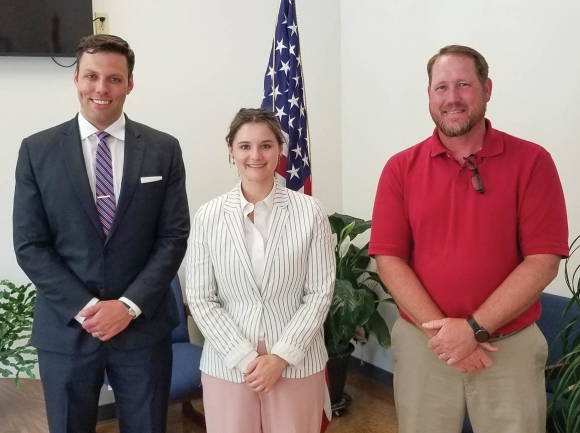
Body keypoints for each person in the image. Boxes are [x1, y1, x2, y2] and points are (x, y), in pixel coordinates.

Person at [370, 45, 569, 433]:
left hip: (506, 348)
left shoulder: (532, 162)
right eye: (441, 87)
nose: (452, 98)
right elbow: (389, 259)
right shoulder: (400, 169)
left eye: (464, 84)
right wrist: (448, 337)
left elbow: (543, 259)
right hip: (424, 347)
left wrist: (473, 329)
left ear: (487, 89)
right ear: (429, 95)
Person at [13, 34, 190, 433]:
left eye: (113, 78)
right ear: (75, 78)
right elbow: (30, 244)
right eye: (91, 76)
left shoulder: (164, 149)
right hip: (68, 329)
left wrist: (127, 305)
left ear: (130, 83)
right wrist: (88, 308)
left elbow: (173, 237)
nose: (101, 88)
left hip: (142, 330)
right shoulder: (36, 151)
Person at [186, 108, 335, 433]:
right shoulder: (208, 216)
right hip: (228, 363)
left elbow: (320, 294)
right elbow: (200, 298)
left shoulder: (310, 212)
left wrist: (281, 357)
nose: (255, 155)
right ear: (231, 150)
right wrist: (245, 358)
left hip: (297, 362)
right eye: (245, 146)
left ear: (280, 149)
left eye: (266, 145)